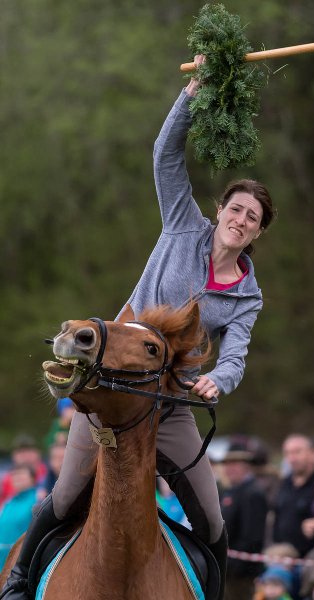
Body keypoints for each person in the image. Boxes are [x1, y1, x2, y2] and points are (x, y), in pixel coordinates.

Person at [2, 55, 275, 600]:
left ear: (257, 234)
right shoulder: (180, 224)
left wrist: (220, 379)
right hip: (112, 391)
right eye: (236, 208)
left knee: (215, 524)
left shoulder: (248, 297)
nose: (240, 220)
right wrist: (191, 97)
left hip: (170, 402)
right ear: (219, 209)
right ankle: (15, 583)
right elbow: (164, 156)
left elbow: (236, 354)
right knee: (61, 499)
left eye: (252, 219)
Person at [219, 442, 269, 600]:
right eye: (227, 464)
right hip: (227, 568)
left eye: (235, 464)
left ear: (247, 466)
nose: (230, 468)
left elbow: (252, 537)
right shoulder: (231, 491)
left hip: (241, 574)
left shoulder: (252, 493)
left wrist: (232, 566)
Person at [273, 434, 314, 557]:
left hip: (311, 557)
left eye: (297, 452)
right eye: (287, 453)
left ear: (313, 453)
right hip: (282, 554)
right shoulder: (284, 483)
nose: (292, 458)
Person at [0, 465, 39, 571]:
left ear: (32, 478)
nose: (17, 479)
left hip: (21, 565)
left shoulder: (39, 498)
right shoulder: (8, 502)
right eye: (14, 476)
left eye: (21, 475)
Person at [0, 435, 47, 509]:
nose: (25, 456)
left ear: (38, 453)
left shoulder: (48, 473)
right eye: (20, 452)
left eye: (29, 451)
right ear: (13, 456)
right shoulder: (7, 479)